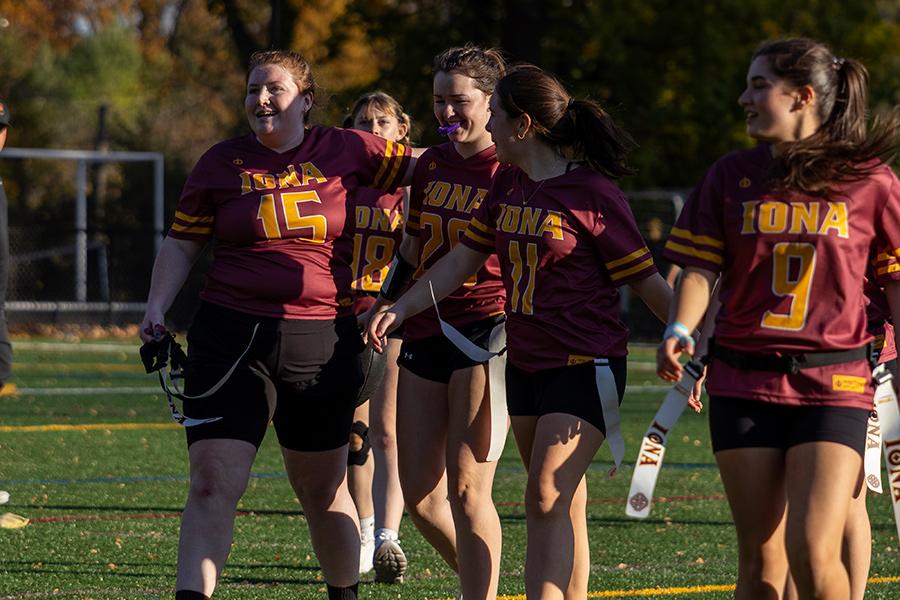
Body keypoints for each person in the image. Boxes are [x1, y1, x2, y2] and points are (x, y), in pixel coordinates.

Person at [370, 64, 673, 599]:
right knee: (559, 501)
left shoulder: (592, 193)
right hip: (527, 364)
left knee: (545, 496)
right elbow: (461, 258)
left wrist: (694, 347)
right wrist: (403, 305)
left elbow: (648, 284)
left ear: (521, 125)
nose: (487, 126)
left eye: (497, 115)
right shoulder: (510, 183)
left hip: (584, 362)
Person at [139, 50, 414, 600]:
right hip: (230, 336)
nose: (261, 99)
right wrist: (156, 305)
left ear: (306, 100)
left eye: (275, 88)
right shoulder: (221, 161)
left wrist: (491, 140)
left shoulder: (346, 146)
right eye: (252, 89)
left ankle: (344, 593)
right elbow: (184, 239)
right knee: (213, 481)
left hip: (321, 338)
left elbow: (432, 167)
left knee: (321, 490)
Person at [658, 38, 900, 600]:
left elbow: (893, 279)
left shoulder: (869, 179)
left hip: (834, 381)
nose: (744, 97)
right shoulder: (729, 176)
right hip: (742, 379)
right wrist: (679, 328)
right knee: (762, 567)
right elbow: (698, 269)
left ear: (803, 97)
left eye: (759, 85)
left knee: (814, 554)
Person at [367, 45, 507, 599]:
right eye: (439, 102)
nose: (447, 113)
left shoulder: (512, 169)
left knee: (469, 491)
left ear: (492, 103)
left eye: (460, 102)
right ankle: (485, 585)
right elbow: (418, 246)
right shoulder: (428, 165)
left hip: (486, 329)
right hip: (426, 324)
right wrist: (384, 298)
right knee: (422, 496)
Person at [343, 90, 411, 582]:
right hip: (342, 311)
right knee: (354, 434)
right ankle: (363, 530)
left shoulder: (412, 181)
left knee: (388, 428)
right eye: (364, 121)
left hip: (391, 313)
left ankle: (389, 535)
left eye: (383, 121)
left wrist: (389, 305)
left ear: (402, 128)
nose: (373, 129)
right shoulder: (342, 177)